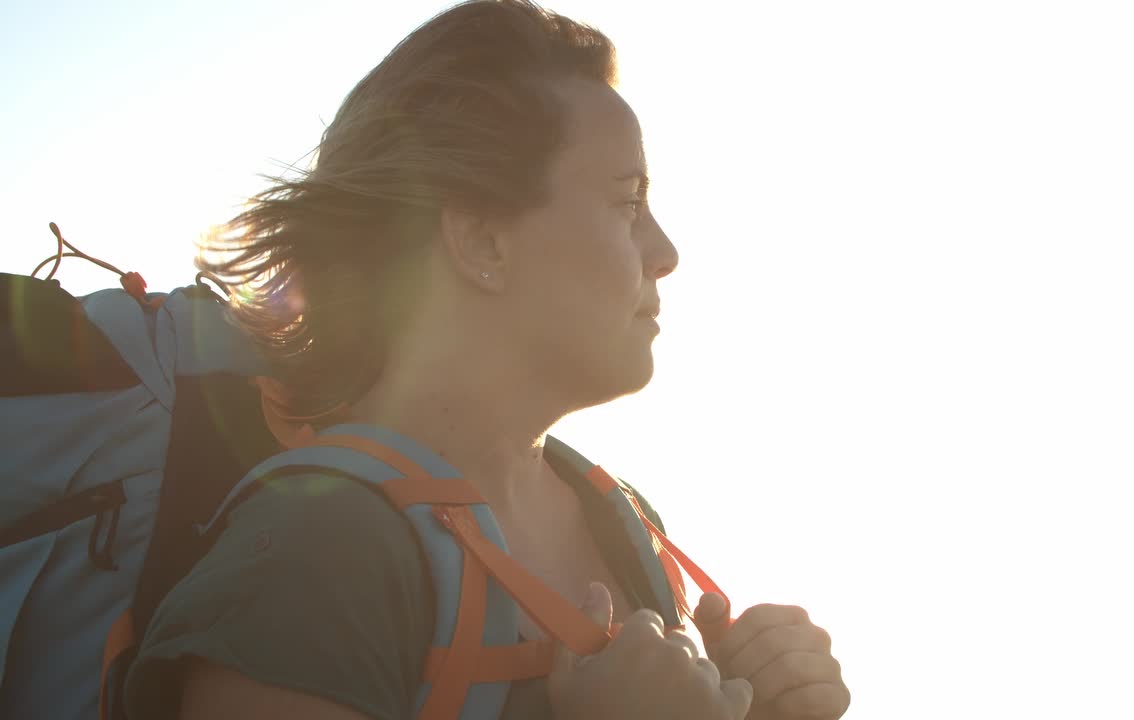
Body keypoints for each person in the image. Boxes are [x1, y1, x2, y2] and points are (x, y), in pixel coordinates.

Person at [122, 1, 850, 719]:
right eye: (628, 204)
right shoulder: (311, 558)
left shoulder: (625, 519)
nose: (665, 254)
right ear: (481, 243)